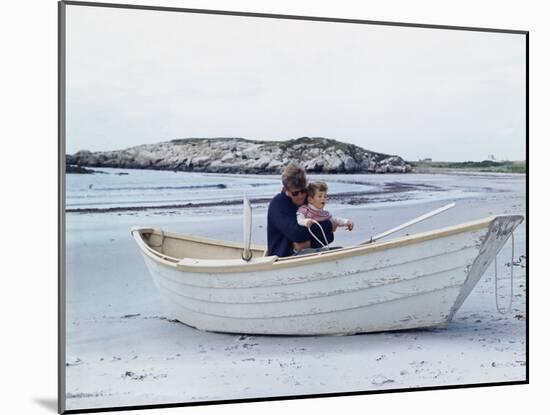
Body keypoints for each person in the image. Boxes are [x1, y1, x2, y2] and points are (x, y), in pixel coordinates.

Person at [266, 163, 334, 257]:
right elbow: (297, 234)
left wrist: (306, 243)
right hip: (282, 257)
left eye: (303, 191)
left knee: (339, 250)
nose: (300, 196)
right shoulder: (277, 205)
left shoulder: (307, 200)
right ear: (287, 190)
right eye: (295, 193)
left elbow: (330, 237)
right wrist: (329, 225)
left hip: (307, 252)